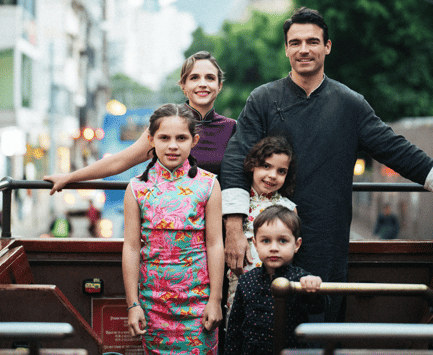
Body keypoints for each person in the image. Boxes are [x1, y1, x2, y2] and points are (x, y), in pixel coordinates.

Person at [221, 7, 433, 321]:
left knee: (323, 323)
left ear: (327, 46)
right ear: (286, 48)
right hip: (267, 236)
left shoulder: (350, 103)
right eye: (295, 43)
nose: (304, 49)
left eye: (312, 41)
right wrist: (234, 230)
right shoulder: (263, 99)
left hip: (327, 235)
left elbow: (394, 148)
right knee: (265, 324)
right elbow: (236, 158)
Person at [45, 51, 236, 193]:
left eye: (210, 78)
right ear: (184, 87)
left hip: (217, 228)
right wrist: (70, 177)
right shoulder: (167, 123)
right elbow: (120, 160)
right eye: (194, 78)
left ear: (219, 86)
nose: (202, 83)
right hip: (173, 225)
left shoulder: (231, 128)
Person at [122, 103, 223, 354]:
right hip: (152, 304)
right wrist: (133, 304)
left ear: (194, 140)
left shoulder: (209, 184)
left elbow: (214, 244)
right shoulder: (136, 188)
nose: (173, 145)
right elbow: (132, 248)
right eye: (164, 138)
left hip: (199, 303)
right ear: (150, 139)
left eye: (181, 138)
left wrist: (215, 300)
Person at [225, 205, 322, 355]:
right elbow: (234, 329)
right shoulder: (246, 280)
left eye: (283, 241)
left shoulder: (301, 279)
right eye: (266, 241)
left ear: (296, 245)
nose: (274, 248)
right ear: (255, 244)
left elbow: (318, 307)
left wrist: (314, 288)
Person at [226, 135, 297, 316]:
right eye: (266, 166)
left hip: (276, 285)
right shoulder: (236, 205)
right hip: (239, 284)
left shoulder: (288, 208)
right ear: (252, 165)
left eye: (281, 171)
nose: (272, 176)